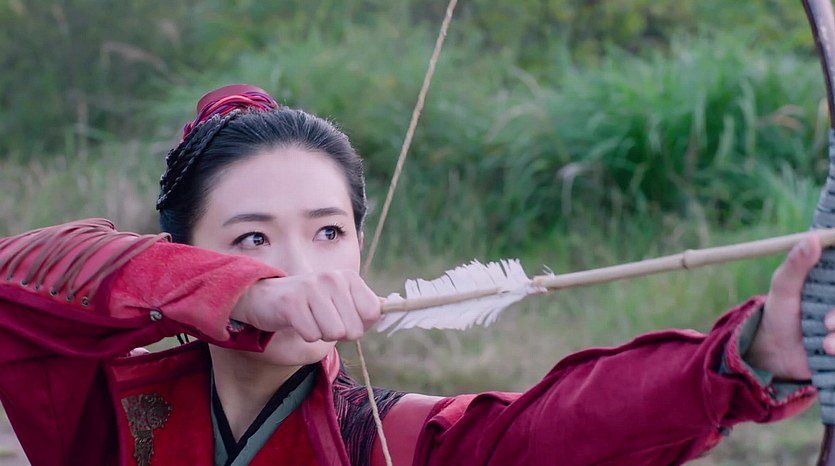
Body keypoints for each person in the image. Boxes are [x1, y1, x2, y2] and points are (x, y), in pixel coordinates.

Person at [0, 83, 831, 466]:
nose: (302, 266)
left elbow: (560, 432)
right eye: (252, 237)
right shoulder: (107, 404)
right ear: (181, 251)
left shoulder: (390, 440)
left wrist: (756, 353)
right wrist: (244, 297)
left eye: (328, 231)